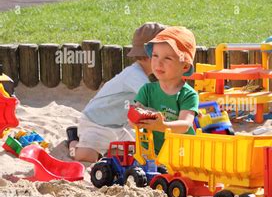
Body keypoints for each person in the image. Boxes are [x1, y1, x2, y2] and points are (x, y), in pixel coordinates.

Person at [67, 22, 167, 162]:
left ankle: (104, 150)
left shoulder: (142, 76)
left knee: (133, 152)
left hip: (117, 128)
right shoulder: (135, 76)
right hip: (96, 124)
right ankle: (72, 140)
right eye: (165, 57)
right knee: (84, 157)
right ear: (150, 56)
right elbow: (155, 100)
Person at [132, 26, 199, 154]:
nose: (158, 63)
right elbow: (135, 114)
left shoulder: (188, 95)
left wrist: (163, 126)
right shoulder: (147, 90)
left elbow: (185, 125)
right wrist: (135, 119)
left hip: (181, 152)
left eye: (167, 58)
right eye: (155, 55)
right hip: (151, 150)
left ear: (185, 66)